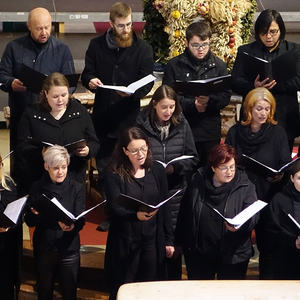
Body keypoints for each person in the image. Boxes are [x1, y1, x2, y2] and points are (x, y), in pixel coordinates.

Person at [81, 2, 154, 183]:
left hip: (128, 118)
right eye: (121, 25)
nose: (126, 29)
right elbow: (87, 74)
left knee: (130, 169)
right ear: (111, 24)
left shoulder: (143, 48)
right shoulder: (96, 45)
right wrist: (90, 81)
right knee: (106, 170)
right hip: (104, 119)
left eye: (129, 24)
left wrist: (133, 93)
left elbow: (148, 81)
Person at [225, 87, 291, 279]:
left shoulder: (277, 133)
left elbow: (285, 164)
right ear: (248, 110)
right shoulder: (236, 132)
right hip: (241, 195)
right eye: (259, 109)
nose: (263, 113)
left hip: (268, 195)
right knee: (237, 245)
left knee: (268, 246)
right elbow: (228, 161)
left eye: (267, 109)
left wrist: (279, 175)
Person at [136, 84, 198, 279]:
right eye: (164, 107)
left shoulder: (182, 124)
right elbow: (135, 154)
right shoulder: (141, 125)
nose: (168, 111)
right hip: (151, 190)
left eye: (172, 107)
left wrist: (175, 168)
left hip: (176, 191)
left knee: (174, 245)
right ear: (154, 104)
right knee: (153, 246)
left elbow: (193, 157)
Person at [104, 127, 174, 300]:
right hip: (125, 241)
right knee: (125, 286)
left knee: (149, 288)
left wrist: (169, 240)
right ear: (125, 151)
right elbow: (114, 207)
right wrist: (134, 215)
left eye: (144, 148)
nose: (140, 154)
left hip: (151, 240)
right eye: (134, 150)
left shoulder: (156, 170)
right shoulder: (113, 173)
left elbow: (164, 207)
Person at [175, 144, 258, 280]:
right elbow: (185, 212)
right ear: (213, 168)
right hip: (200, 253)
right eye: (224, 168)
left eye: (232, 167)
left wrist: (239, 225)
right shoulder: (198, 180)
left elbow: (253, 216)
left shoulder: (245, 185)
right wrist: (178, 242)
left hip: (233, 255)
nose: (229, 172)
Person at [0, 7, 75, 154]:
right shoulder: (14, 48)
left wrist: (58, 94)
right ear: (29, 26)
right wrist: (11, 83)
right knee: (21, 159)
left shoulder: (62, 49)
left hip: (51, 118)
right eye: (39, 28)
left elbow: (70, 84)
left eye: (47, 27)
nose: (44, 32)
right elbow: (2, 75)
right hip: (22, 114)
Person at [17, 72, 99, 194]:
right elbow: (21, 145)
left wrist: (87, 150)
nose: (60, 100)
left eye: (64, 95)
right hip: (41, 177)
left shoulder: (79, 111)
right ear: (45, 94)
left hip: (74, 177)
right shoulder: (31, 113)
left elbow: (94, 142)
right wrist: (41, 153)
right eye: (55, 96)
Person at [163, 21, 231, 166]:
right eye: (195, 45)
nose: (201, 49)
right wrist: (192, 105)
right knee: (184, 171)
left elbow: (225, 96)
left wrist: (209, 101)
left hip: (209, 129)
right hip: (182, 127)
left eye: (205, 44)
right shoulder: (174, 66)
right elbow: (167, 96)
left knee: (209, 170)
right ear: (186, 43)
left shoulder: (219, 65)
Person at [231, 9, 300, 150]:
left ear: (281, 30)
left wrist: (276, 86)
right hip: (253, 118)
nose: (268, 37)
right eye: (264, 32)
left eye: (273, 32)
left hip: (284, 115)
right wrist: (254, 86)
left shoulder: (293, 50)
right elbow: (235, 81)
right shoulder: (245, 51)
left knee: (282, 162)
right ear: (257, 32)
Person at [24, 145, 85, 300]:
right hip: (45, 247)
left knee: (70, 292)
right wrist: (40, 215)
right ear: (46, 166)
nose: (60, 172)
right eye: (56, 168)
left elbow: (81, 219)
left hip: (68, 247)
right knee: (44, 291)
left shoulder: (76, 187)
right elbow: (29, 221)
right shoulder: (37, 187)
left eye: (63, 167)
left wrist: (73, 225)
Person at [268, 160, 300, 279]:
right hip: (286, 256)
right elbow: (272, 230)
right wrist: (293, 241)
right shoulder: (279, 199)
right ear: (291, 178)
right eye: (299, 178)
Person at [0, 154, 22, 299]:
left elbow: (16, 213)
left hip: (4, 244)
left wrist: (9, 226)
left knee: (5, 283)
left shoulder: (9, 186)